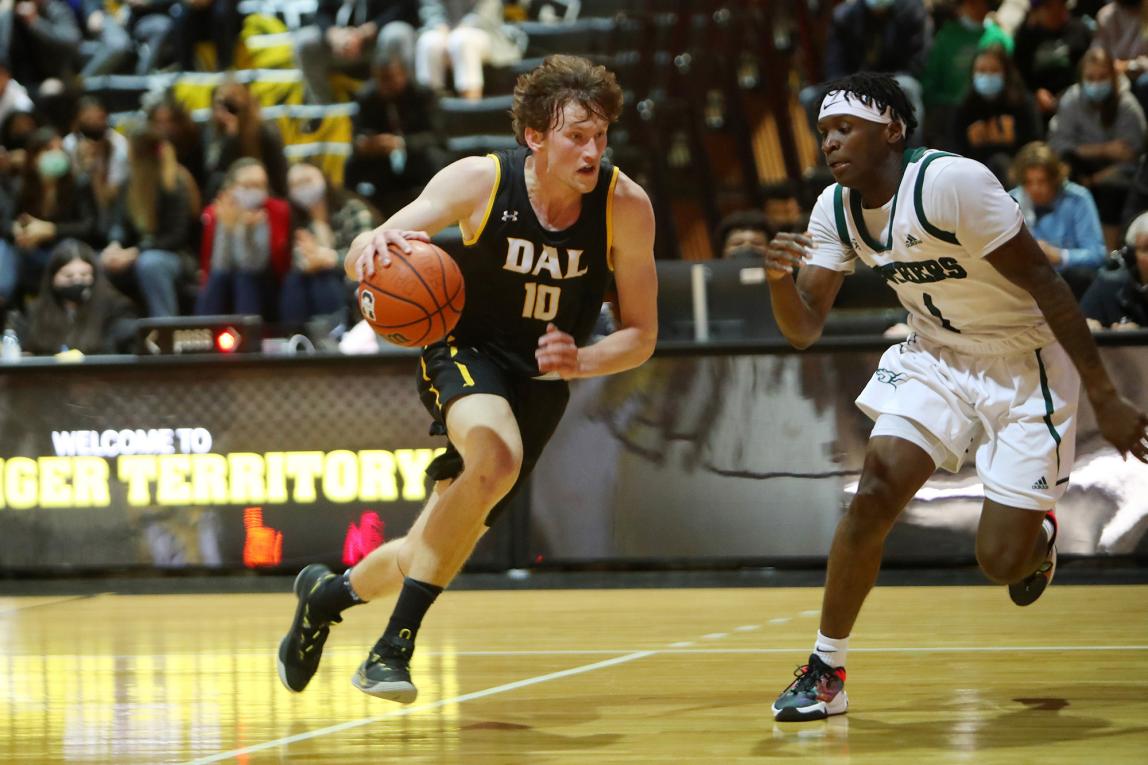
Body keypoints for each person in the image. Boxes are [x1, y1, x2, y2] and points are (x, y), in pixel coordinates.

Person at [763, 72, 1148, 723]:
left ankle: (1038, 537)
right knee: (876, 486)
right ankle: (826, 670)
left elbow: (1049, 286)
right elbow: (803, 329)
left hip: (1026, 360)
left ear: (892, 128)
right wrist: (777, 281)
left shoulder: (953, 182)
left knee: (1000, 560)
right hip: (937, 353)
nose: (830, 142)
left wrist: (1107, 398)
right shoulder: (835, 207)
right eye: (823, 132)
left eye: (844, 128)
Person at [275, 54, 657, 702]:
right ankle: (392, 648)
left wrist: (582, 359)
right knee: (496, 454)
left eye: (600, 137)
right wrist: (368, 245)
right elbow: (369, 248)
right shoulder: (483, 180)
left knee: (429, 543)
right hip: (466, 347)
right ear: (535, 136)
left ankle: (324, 595)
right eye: (576, 136)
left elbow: (642, 334)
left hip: (541, 376)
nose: (592, 150)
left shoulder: (625, 206)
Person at [102, 127, 198, 317]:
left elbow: (177, 237)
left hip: (175, 256)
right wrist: (114, 245)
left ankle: (164, 326)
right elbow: (119, 224)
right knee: (99, 262)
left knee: (150, 263)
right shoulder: (129, 183)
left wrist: (136, 251)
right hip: (136, 252)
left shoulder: (174, 184)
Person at [1048, 48, 1147, 229]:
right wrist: (1105, 150)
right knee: (1064, 167)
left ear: (1113, 77)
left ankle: (1109, 249)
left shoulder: (1128, 106)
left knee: (1112, 188)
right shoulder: (1072, 100)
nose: (1096, 84)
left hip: (1116, 174)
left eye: (1102, 77)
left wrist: (1094, 180)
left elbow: (1131, 158)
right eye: (1091, 78)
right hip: (1082, 167)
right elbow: (1058, 144)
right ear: (1082, 78)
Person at [1007, 141, 1106, 297]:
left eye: (1041, 181)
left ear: (1054, 179)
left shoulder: (1078, 199)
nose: (1035, 189)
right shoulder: (1012, 199)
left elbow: (1097, 254)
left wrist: (1060, 256)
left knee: (1083, 276)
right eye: (1028, 183)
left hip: (1069, 280)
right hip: (1027, 282)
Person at [280, 161, 374, 325]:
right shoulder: (299, 221)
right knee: (295, 280)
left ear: (323, 179)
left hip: (353, 278)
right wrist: (312, 261)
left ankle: (333, 334)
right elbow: (299, 260)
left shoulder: (352, 209)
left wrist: (329, 258)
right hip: (315, 280)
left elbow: (366, 253)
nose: (302, 188)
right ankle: (294, 335)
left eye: (307, 180)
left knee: (323, 277)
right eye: (295, 184)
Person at [197, 157, 291, 318]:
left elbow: (253, 265)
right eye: (248, 185)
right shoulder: (215, 212)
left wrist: (244, 231)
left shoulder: (276, 211)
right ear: (231, 187)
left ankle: (249, 336)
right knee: (219, 278)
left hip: (265, 282)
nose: (254, 190)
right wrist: (227, 228)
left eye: (260, 185)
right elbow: (220, 265)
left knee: (244, 278)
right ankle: (203, 331)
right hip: (225, 280)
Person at [23, 239, 135, 355]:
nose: (77, 281)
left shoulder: (116, 308)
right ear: (53, 278)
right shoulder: (36, 311)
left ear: (94, 276)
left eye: (84, 275)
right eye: (68, 276)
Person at [296, 0, 417, 104]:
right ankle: (324, 112)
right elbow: (322, 12)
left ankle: (400, 107)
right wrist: (334, 34)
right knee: (304, 40)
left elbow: (404, 8)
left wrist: (366, 31)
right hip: (339, 42)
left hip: (377, 38)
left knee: (397, 33)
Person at [953, 44, 1042, 182]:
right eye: (981, 71)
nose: (987, 76)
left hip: (1016, 175)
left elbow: (1034, 145)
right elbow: (955, 149)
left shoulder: (1023, 103)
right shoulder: (965, 107)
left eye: (994, 70)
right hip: (973, 176)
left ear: (1006, 73)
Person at [202, 81, 288, 199]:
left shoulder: (264, 132)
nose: (226, 111)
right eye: (220, 104)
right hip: (229, 198)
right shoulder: (211, 132)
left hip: (263, 194)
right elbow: (214, 172)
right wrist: (230, 138)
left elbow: (279, 178)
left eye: (231, 105)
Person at [1011, 0, 1092, 120]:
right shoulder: (1025, 35)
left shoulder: (1080, 30)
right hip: (1037, 107)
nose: (1056, 10)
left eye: (1060, 4)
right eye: (1047, 6)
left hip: (1076, 103)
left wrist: (1069, 94)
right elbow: (1019, 75)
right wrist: (1035, 93)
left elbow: (1088, 71)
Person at [1081, 210, 1148, 330]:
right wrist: (1095, 332)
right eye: (1146, 249)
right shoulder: (1107, 286)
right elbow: (1076, 331)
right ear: (1131, 257)